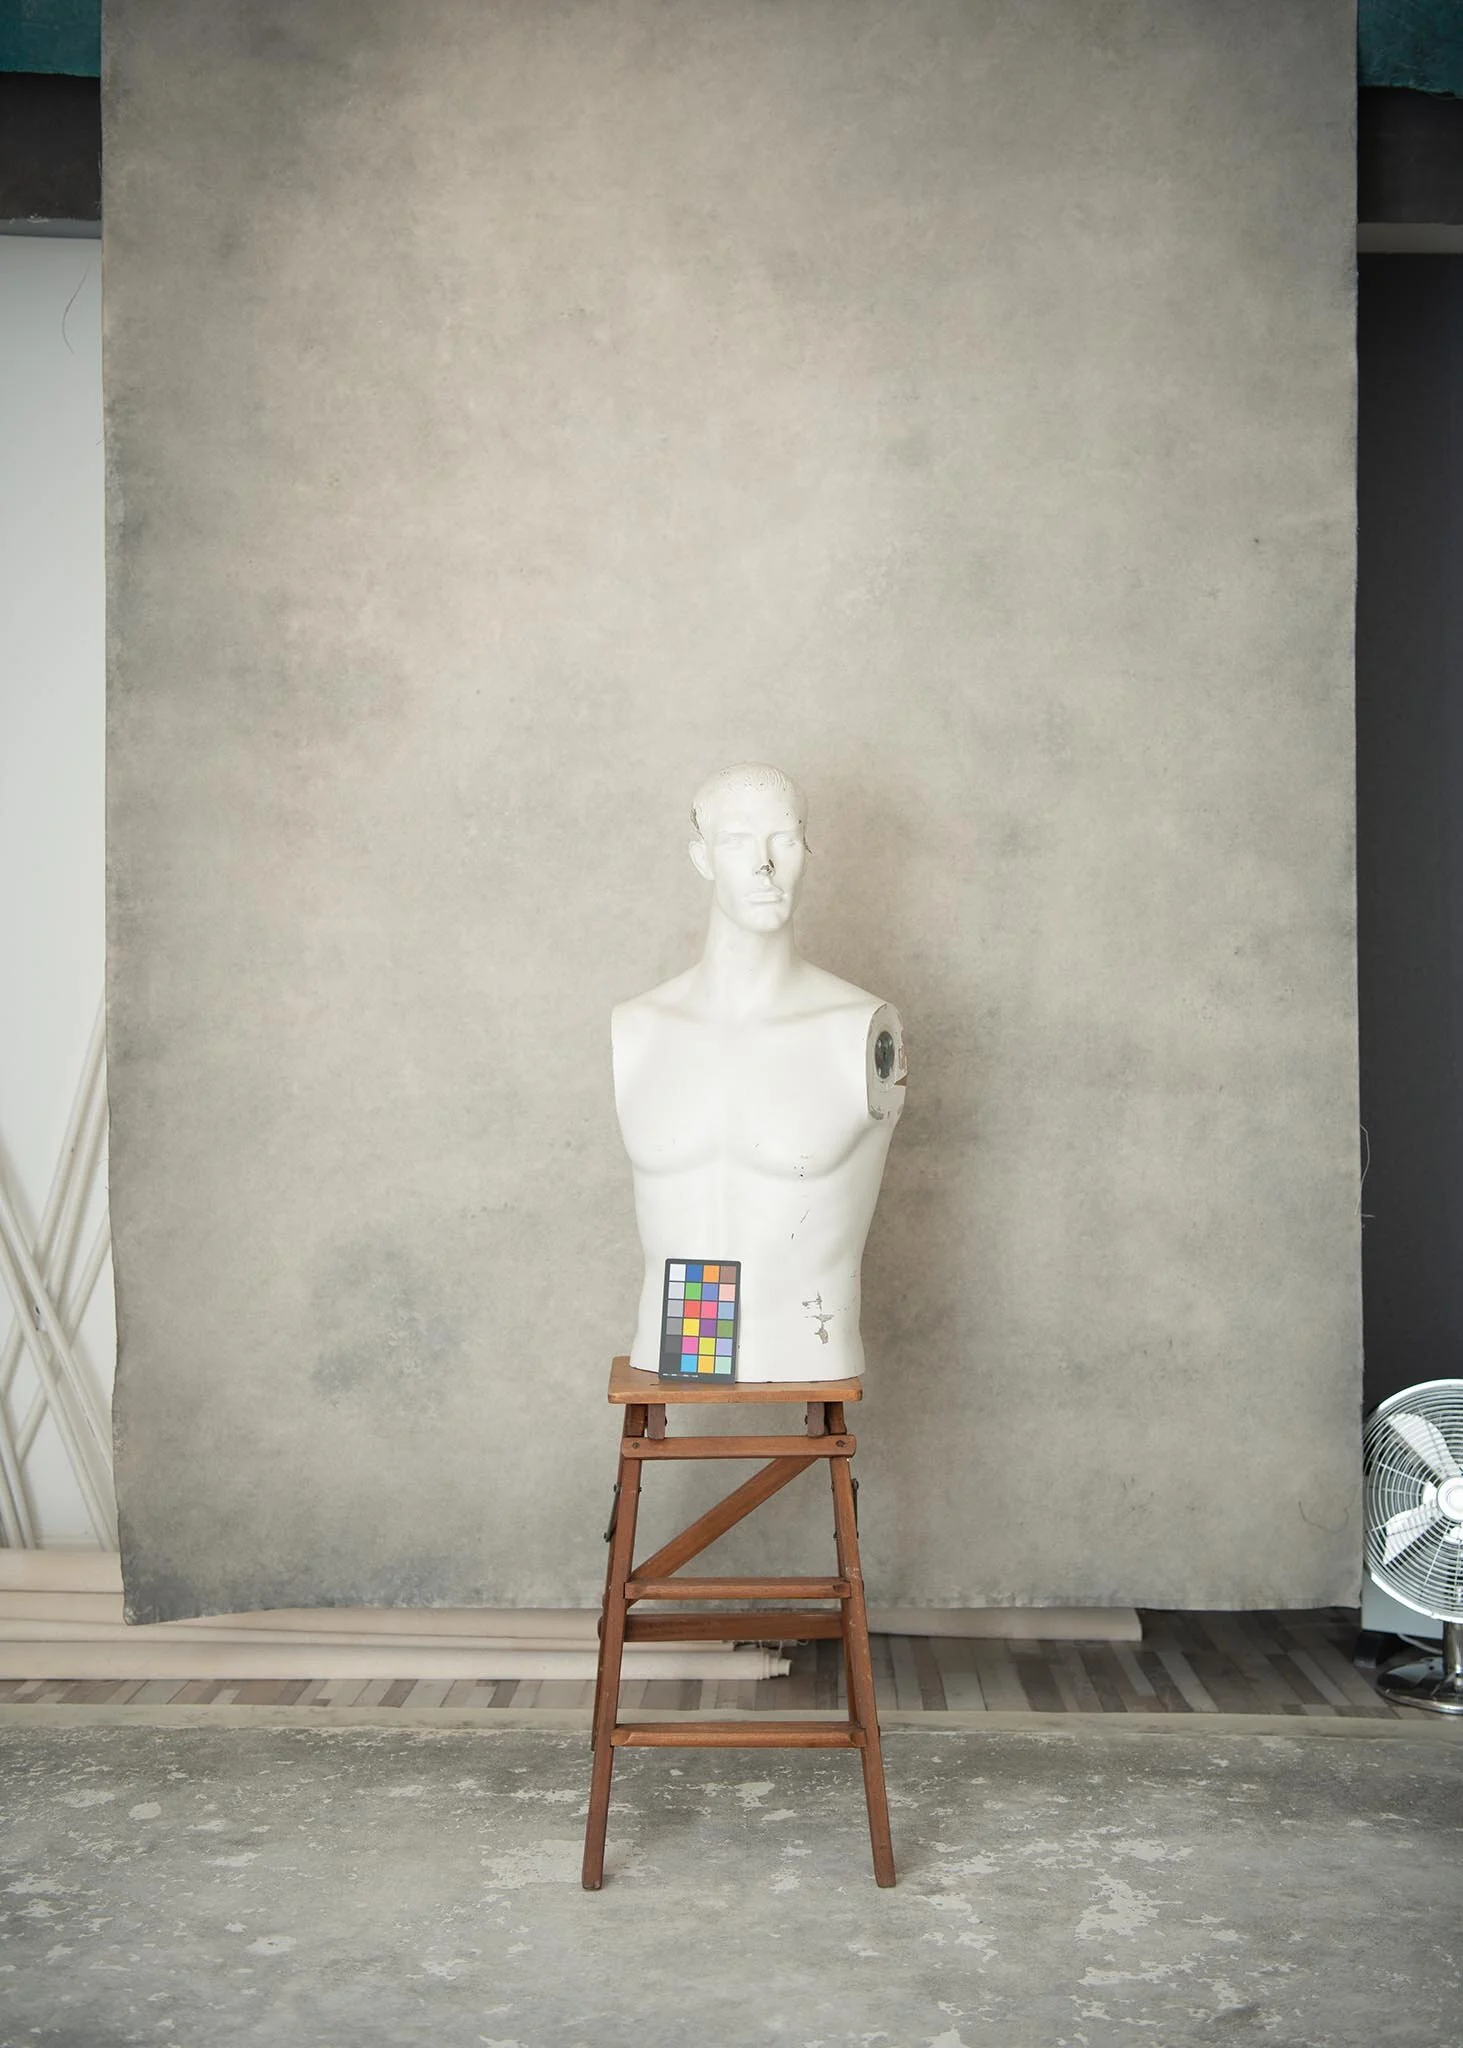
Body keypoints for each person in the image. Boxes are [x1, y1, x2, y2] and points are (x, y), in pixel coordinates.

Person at [612, 764, 904, 1382]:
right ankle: (708, 1355)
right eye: (739, 841)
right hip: (685, 1343)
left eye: (786, 841)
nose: (765, 865)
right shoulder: (641, 1027)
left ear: (806, 852)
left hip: (806, 1341)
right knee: (697, 1356)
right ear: (703, 858)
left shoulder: (855, 1025)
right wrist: (694, 1345)